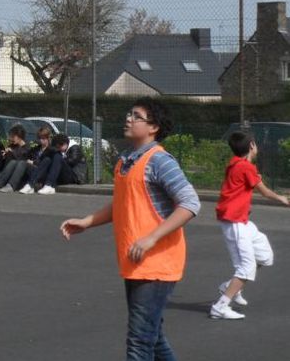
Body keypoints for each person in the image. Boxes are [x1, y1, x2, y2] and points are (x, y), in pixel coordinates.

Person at [60, 97, 200, 361]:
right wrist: (88, 221)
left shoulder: (160, 161)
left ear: (153, 127)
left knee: (139, 343)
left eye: (136, 116)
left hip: (157, 265)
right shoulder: (126, 160)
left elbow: (190, 203)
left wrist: (151, 238)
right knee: (153, 340)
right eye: (129, 114)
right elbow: (123, 204)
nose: (128, 119)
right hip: (136, 262)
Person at [209, 131, 289, 319]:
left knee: (265, 256)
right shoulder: (244, 167)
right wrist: (282, 199)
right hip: (234, 222)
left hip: (243, 222)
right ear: (252, 146)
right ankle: (220, 307)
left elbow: (254, 180)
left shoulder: (238, 164)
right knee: (246, 267)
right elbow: (265, 192)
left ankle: (230, 286)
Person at [0, 124, 30, 192]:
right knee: (1, 155)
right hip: (8, 169)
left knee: (13, 160)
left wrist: (12, 152)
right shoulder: (12, 145)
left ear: (20, 137)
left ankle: (5, 184)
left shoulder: (27, 148)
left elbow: (22, 162)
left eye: (13, 137)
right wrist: (4, 154)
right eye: (10, 136)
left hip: (20, 173)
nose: (11, 139)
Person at [18, 126, 52, 194]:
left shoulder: (51, 150)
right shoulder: (36, 149)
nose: (41, 140)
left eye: (43, 138)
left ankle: (30, 185)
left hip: (43, 172)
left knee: (25, 165)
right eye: (40, 138)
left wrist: (33, 162)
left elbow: (47, 163)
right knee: (21, 163)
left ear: (48, 138)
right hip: (33, 169)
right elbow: (26, 156)